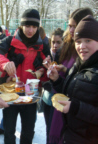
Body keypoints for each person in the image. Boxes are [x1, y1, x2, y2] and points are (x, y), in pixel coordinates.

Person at [0, 9, 50, 144]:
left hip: (30, 97)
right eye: (27, 26)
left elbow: (47, 69)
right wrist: (5, 64)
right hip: (11, 96)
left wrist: (42, 70)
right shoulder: (9, 41)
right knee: (9, 132)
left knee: (28, 132)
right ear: (21, 25)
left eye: (34, 27)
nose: (30, 30)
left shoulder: (42, 45)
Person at [42, 7, 94, 144]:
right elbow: (74, 84)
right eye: (70, 26)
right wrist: (56, 76)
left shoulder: (85, 57)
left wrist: (65, 70)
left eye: (87, 40)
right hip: (60, 99)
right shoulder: (68, 46)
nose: (71, 30)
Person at [42, 28, 64, 144]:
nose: (55, 45)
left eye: (58, 42)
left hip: (59, 99)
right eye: (53, 42)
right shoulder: (47, 55)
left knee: (55, 130)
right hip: (47, 99)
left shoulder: (66, 56)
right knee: (48, 128)